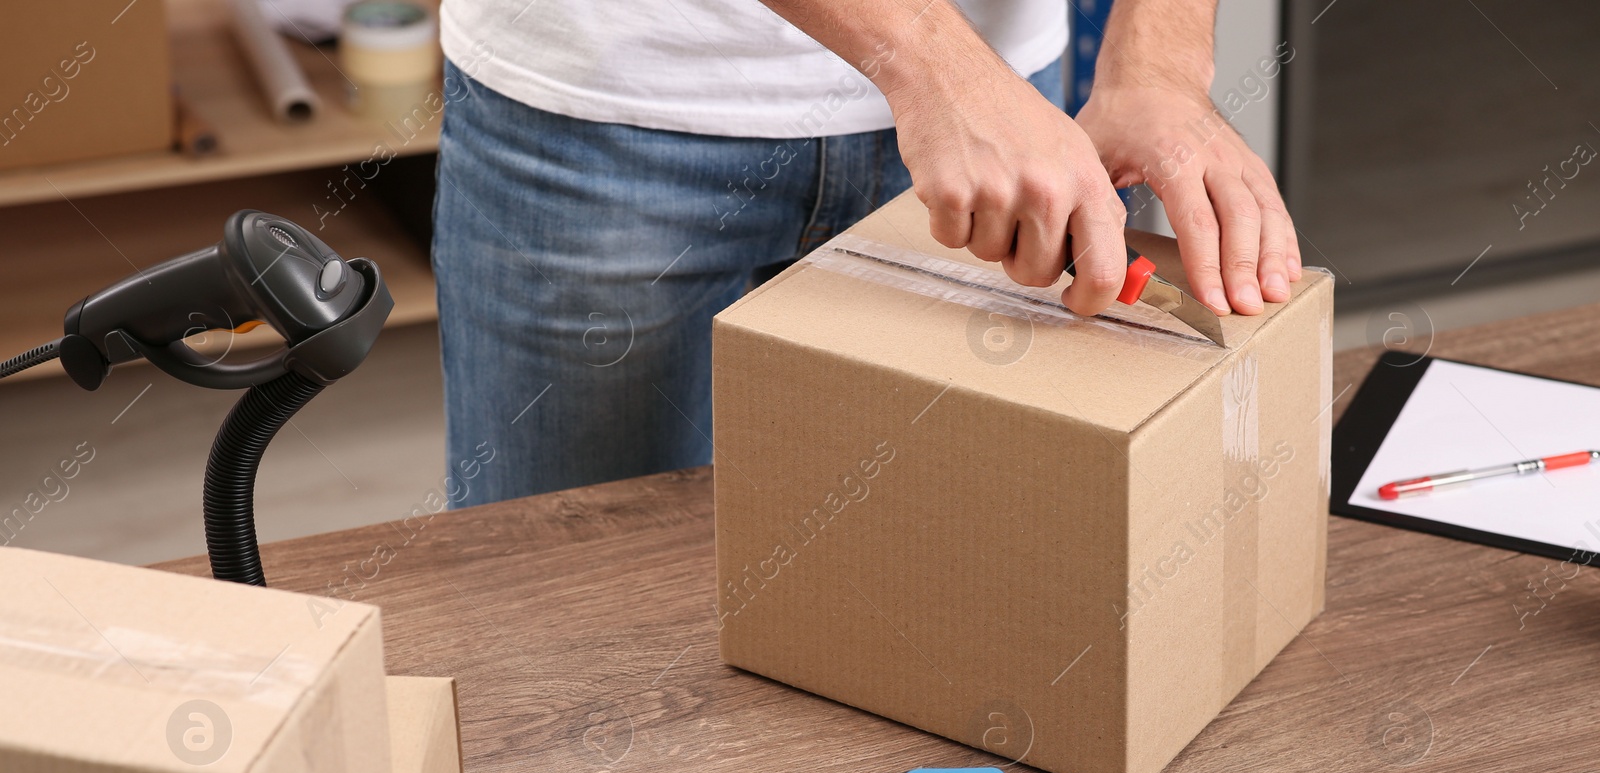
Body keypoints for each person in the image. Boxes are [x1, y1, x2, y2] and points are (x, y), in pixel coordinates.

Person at [434, 0, 1301, 503]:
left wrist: (1159, 61)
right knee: (579, 600)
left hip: (1004, 123)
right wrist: (931, 66)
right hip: (610, 104)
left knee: (947, 583)